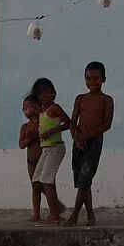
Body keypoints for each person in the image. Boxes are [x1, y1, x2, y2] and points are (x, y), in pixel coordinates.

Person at [64, 61, 114, 227]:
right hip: (79, 143)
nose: (92, 82)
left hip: (94, 143)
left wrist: (87, 136)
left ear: (103, 79)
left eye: (95, 79)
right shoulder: (80, 99)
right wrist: (75, 135)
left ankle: (75, 215)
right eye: (88, 79)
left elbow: (106, 124)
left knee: (85, 179)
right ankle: (91, 214)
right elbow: (73, 120)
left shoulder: (107, 100)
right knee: (83, 181)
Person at [30, 76, 69, 224]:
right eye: (40, 94)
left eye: (46, 92)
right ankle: (56, 206)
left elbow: (68, 123)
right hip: (46, 149)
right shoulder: (42, 111)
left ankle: (54, 215)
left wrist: (52, 131)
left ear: (53, 93)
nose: (43, 96)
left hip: (55, 148)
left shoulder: (55, 108)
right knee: (37, 180)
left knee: (46, 180)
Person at [17, 94, 44, 222]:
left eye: (33, 107)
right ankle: (36, 213)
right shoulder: (25, 127)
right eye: (26, 108)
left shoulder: (44, 124)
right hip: (31, 162)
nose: (30, 110)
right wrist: (29, 138)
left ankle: (54, 210)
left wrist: (37, 135)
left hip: (44, 160)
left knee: (49, 186)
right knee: (35, 187)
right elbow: (21, 145)